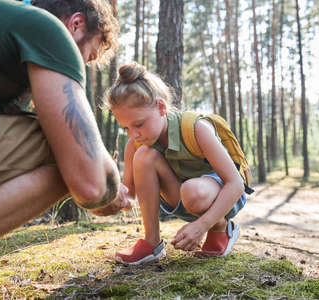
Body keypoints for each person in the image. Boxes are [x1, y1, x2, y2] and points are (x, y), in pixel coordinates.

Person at [0, 0, 130, 298]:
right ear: (75, 25)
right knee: (63, 154)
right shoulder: (48, 30)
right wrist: (110, 188)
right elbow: (92, 185)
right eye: (86, 56)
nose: (80, 68)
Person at [105, 62, 246, 265]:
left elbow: (236, 184)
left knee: (192, 191)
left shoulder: (197, 128)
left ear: (161, 107)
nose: (133, 134)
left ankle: (220, 229)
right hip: (182, 197)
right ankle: (151, 243)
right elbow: (128, 198)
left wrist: (202, 226)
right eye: (125, 127)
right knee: (145, 155)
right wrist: (111, 197)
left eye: (139, 124)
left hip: (224, 196)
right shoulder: (136, 144)